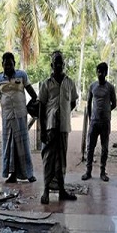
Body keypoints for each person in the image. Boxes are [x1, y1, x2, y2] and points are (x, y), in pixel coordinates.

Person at [0, 52, 38, 184]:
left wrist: (32, 106)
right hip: (7, 117)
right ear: (2, 64)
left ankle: (29, 174)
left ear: (14, 64)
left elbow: (33, 94)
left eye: (10, 64)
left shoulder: (22, 75)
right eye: (6, 64)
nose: (8, 67)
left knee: (23, 145)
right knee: (10, 146)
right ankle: (12, 175)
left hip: (21, 116)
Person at [39, 50, 79, 204]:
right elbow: (42, 107)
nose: (58, 65)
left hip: (63, 128)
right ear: (51, 65)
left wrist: (64, 113)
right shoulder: (46, 83)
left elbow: (73, 102)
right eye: (55, 62)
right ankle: (46, 191)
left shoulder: (70, 83)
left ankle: (62, 191)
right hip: (50, 127)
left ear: (63, 64)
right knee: (48, 159)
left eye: (60, 62)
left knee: (61, 160)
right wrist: (43, 130)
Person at [81, 62, 117, 182]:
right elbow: (89, 103)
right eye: (98, 71)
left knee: (104, 148)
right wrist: (91, 118)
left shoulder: (110, 87)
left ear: (106, 73)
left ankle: (102, 172)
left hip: (105, 122)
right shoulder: (92, 86)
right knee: (90, 147)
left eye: (102, 72)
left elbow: (114, 103)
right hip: (94, 122)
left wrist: (106, 111)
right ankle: (88, 171)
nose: (100, 74)